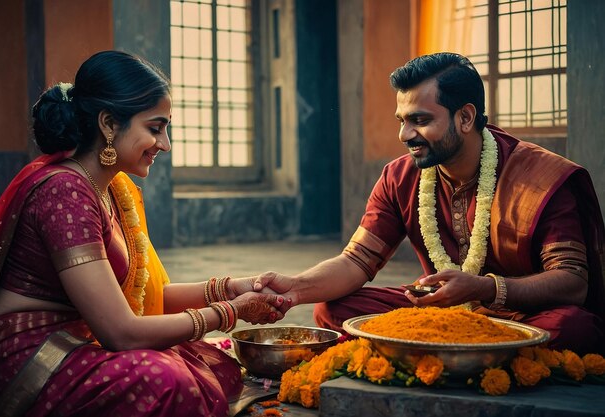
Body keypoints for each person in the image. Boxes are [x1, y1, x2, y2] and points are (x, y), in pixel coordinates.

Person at [0, 50, 285, 417]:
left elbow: (146, 297)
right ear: (109, 124)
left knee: (211, 363)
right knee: (169, 381)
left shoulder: (109, 189)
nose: (165, 144)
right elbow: (120, 332)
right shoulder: (65, 191)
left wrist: (231, 288)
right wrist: (229, 312)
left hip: (80, 337)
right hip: (30, 356)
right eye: (155, 128)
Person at [253, 52, 605, 356]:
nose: (404, 135)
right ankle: (472, 353)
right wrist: (294, 289)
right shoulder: (400, 176)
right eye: (402, 121)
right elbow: (355, 262)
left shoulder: (542, 177)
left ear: (465, 118)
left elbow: (573, 282)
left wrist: (485, 288)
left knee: (575, 328)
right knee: (334, 309)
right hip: (441, 313)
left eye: (420, 121)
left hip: (523, 316)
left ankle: (427, 351)